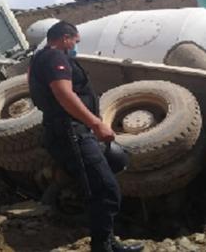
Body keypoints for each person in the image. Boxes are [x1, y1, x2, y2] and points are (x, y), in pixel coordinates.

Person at [28, 21, 143, 252]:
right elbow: (63, 94)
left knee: (105, 176)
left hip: (69, 131)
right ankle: (102, 247)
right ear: (65, 38)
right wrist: (96, 123)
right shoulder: (54, 57)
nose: (76, 47)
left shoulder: (39, 58)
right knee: (106, 189)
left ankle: (108, 242)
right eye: (75, 42)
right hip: (71, 132)